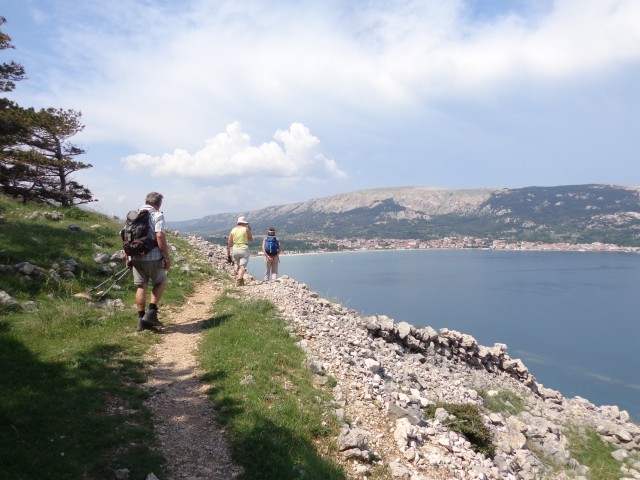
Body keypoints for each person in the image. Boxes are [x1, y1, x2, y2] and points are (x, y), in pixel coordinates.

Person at [128, 192, 171, 331]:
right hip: (152, 256)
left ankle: (141, 321)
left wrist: (128, 257)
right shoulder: (157, 215)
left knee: (141, 286)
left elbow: (125, 238)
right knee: (161, 281)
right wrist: (166, 256)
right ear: (159, 204)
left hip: (135, 256)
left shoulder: (133, 215)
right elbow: (159, 235)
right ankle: (151, 313)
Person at [227, 216, 253, 286]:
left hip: (235, 249)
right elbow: (250, 239)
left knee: (236, 264)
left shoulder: (233, 230)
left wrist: (228, 251)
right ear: (244, 223)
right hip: (244, 249)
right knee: (242, 266)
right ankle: (239, 281)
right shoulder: (246, 229)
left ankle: (240, 279)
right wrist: (250, 231)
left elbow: (229, 241)